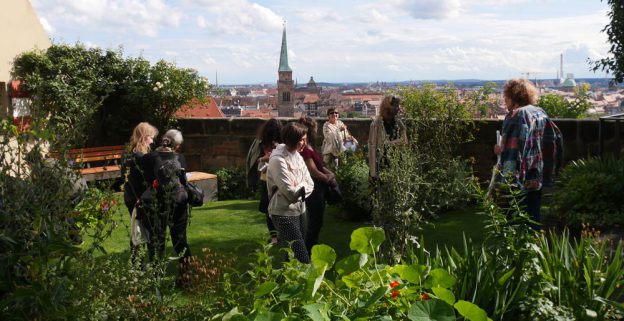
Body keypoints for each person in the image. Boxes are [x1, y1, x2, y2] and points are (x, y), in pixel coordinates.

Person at [494, 79, 563, 229]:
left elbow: (511, 151)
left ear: (513, 96)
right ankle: (536, 248)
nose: (505, 101)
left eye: (506, 97)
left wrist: (500, 151)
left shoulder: (516, 115)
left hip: (518, 177)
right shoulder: (539, 112)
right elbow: (556, 138)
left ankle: (518, 249)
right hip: (536, 172)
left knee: (514, 219)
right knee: (533, 215)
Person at [141, 129, 192, 272]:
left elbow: (145, 180)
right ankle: (187, 275)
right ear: (176, 145)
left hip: (155, 203)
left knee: (156, 241)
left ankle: (156, 277)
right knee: (180, 241)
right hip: (178, 202)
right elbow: (184, 181)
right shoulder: (180, 158)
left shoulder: (147, 158)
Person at [266, 122, 314, 263]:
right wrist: (302, 186)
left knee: (291, 253)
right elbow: (290, 194)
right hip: (283, 212)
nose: (305, 143)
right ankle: (311, 282)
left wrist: (299, 186)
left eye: (305, 139)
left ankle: (287, 282)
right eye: (302, 140)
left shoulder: (297, 156)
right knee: (301, 255)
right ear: (292, 139)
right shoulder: (277, 160)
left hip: (300, 210)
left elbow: (310, 183)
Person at [298, 117, 337, 254]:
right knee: (315, 224)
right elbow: (313, 171)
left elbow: (320, 166)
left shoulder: (309, 147)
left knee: (316, 223)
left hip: (318, 188)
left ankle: (309, 250)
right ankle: (307, 253)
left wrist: (330, 173)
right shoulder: (306, 150)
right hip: (315, 189)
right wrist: (328, 179)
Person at [121, 122, 158, 221]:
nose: (152, 141)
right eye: (151, 137)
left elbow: (124, 176)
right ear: (145, 137)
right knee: (149, 233)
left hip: (129, 196)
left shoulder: (128, 154)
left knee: (139, 233)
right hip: (140, 199)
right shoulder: (141, 157)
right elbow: (148, 179)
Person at [256, 119, 282, 245]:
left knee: (270, 210)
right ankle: (277, 235)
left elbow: (257, 160)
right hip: (273, 177)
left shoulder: (263, 143)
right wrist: (266, 158)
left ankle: (274, 237)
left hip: (267, 178)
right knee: (275, 208)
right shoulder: (264, 144)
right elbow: (259, 160)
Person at [368, 95, 407, 178]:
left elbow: (404, 141)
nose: (399, 108)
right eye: (396, 105)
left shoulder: (398, 122)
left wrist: (388, 143)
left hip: (396, 162)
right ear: (388, 107)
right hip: (380, 164)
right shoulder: (376, 124)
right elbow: (374, 147)